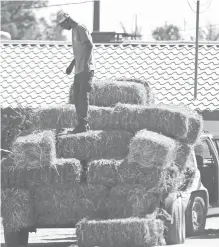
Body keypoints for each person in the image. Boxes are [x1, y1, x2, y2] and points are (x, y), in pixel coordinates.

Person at [57, 12, 95, 134]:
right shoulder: (74, 30)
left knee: (82, 97)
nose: (63, 28)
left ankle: (83, 125)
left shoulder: (80, 28)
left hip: (85, 69)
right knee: (76, 97)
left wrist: (84, 65)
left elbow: (89, 46)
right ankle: (81, 124)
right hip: (79, 69)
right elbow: (80, 52)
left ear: (68, 20)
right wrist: (71, 65)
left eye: (63, 25)